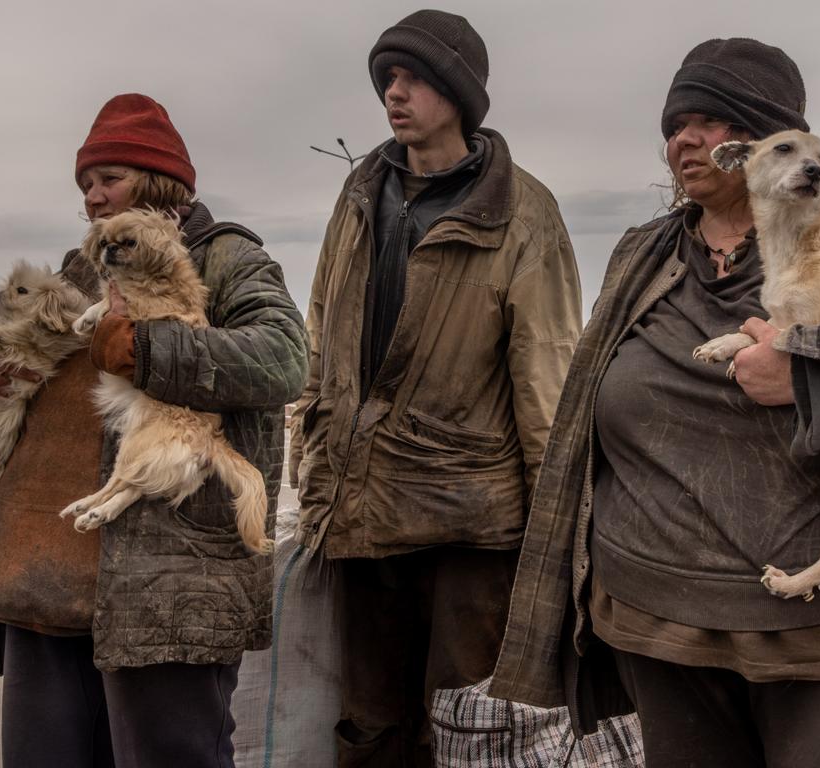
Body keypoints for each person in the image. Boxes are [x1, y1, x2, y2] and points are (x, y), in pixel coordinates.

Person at [490, 37, 820, 767]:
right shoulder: (644, 253)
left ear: (766, 137)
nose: (685, 139)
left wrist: (815, 369)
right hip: (655, 629)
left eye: (712, 119)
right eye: (673, 125)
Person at [0, 93, 307, 768]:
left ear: (160, 182)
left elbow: (283, 359)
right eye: (86, 184)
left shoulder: (227, 259)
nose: (93, 197)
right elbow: (22, 348)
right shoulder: (80, 269)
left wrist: (148, 351)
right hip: (47, 572)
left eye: (108, 179)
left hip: (167, 585)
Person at [289, 9, 582, 765]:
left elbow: (546, 377)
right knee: (368, 725)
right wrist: (311, 459)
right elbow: (320, 336)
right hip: (362, 509)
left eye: (414, 76)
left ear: (458, 92)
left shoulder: (523, 210)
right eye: (388, 76)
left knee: (467, 731)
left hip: (470, 523)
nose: (395, 90)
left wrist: (556, 543)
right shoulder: (360, 195)